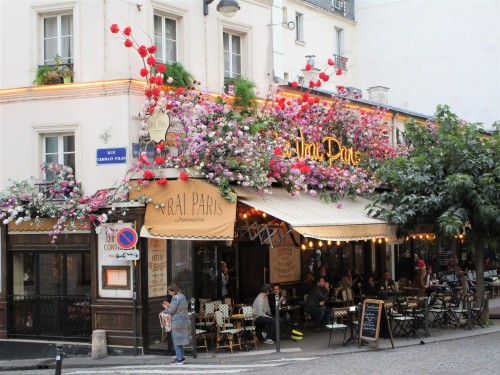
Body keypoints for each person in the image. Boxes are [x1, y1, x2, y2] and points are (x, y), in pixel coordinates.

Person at [162, 283, 190, 365]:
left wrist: (166, 308)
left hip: (177, 321)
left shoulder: (175, 298)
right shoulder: (182, 296)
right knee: (180, 340)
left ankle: (179, 359)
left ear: (173, 291)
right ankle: (182, 357)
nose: (168, 293)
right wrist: (170, 305)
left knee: (177, 340)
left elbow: (171, 311)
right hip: (183, 321)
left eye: (169, 291)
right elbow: (178, 308)